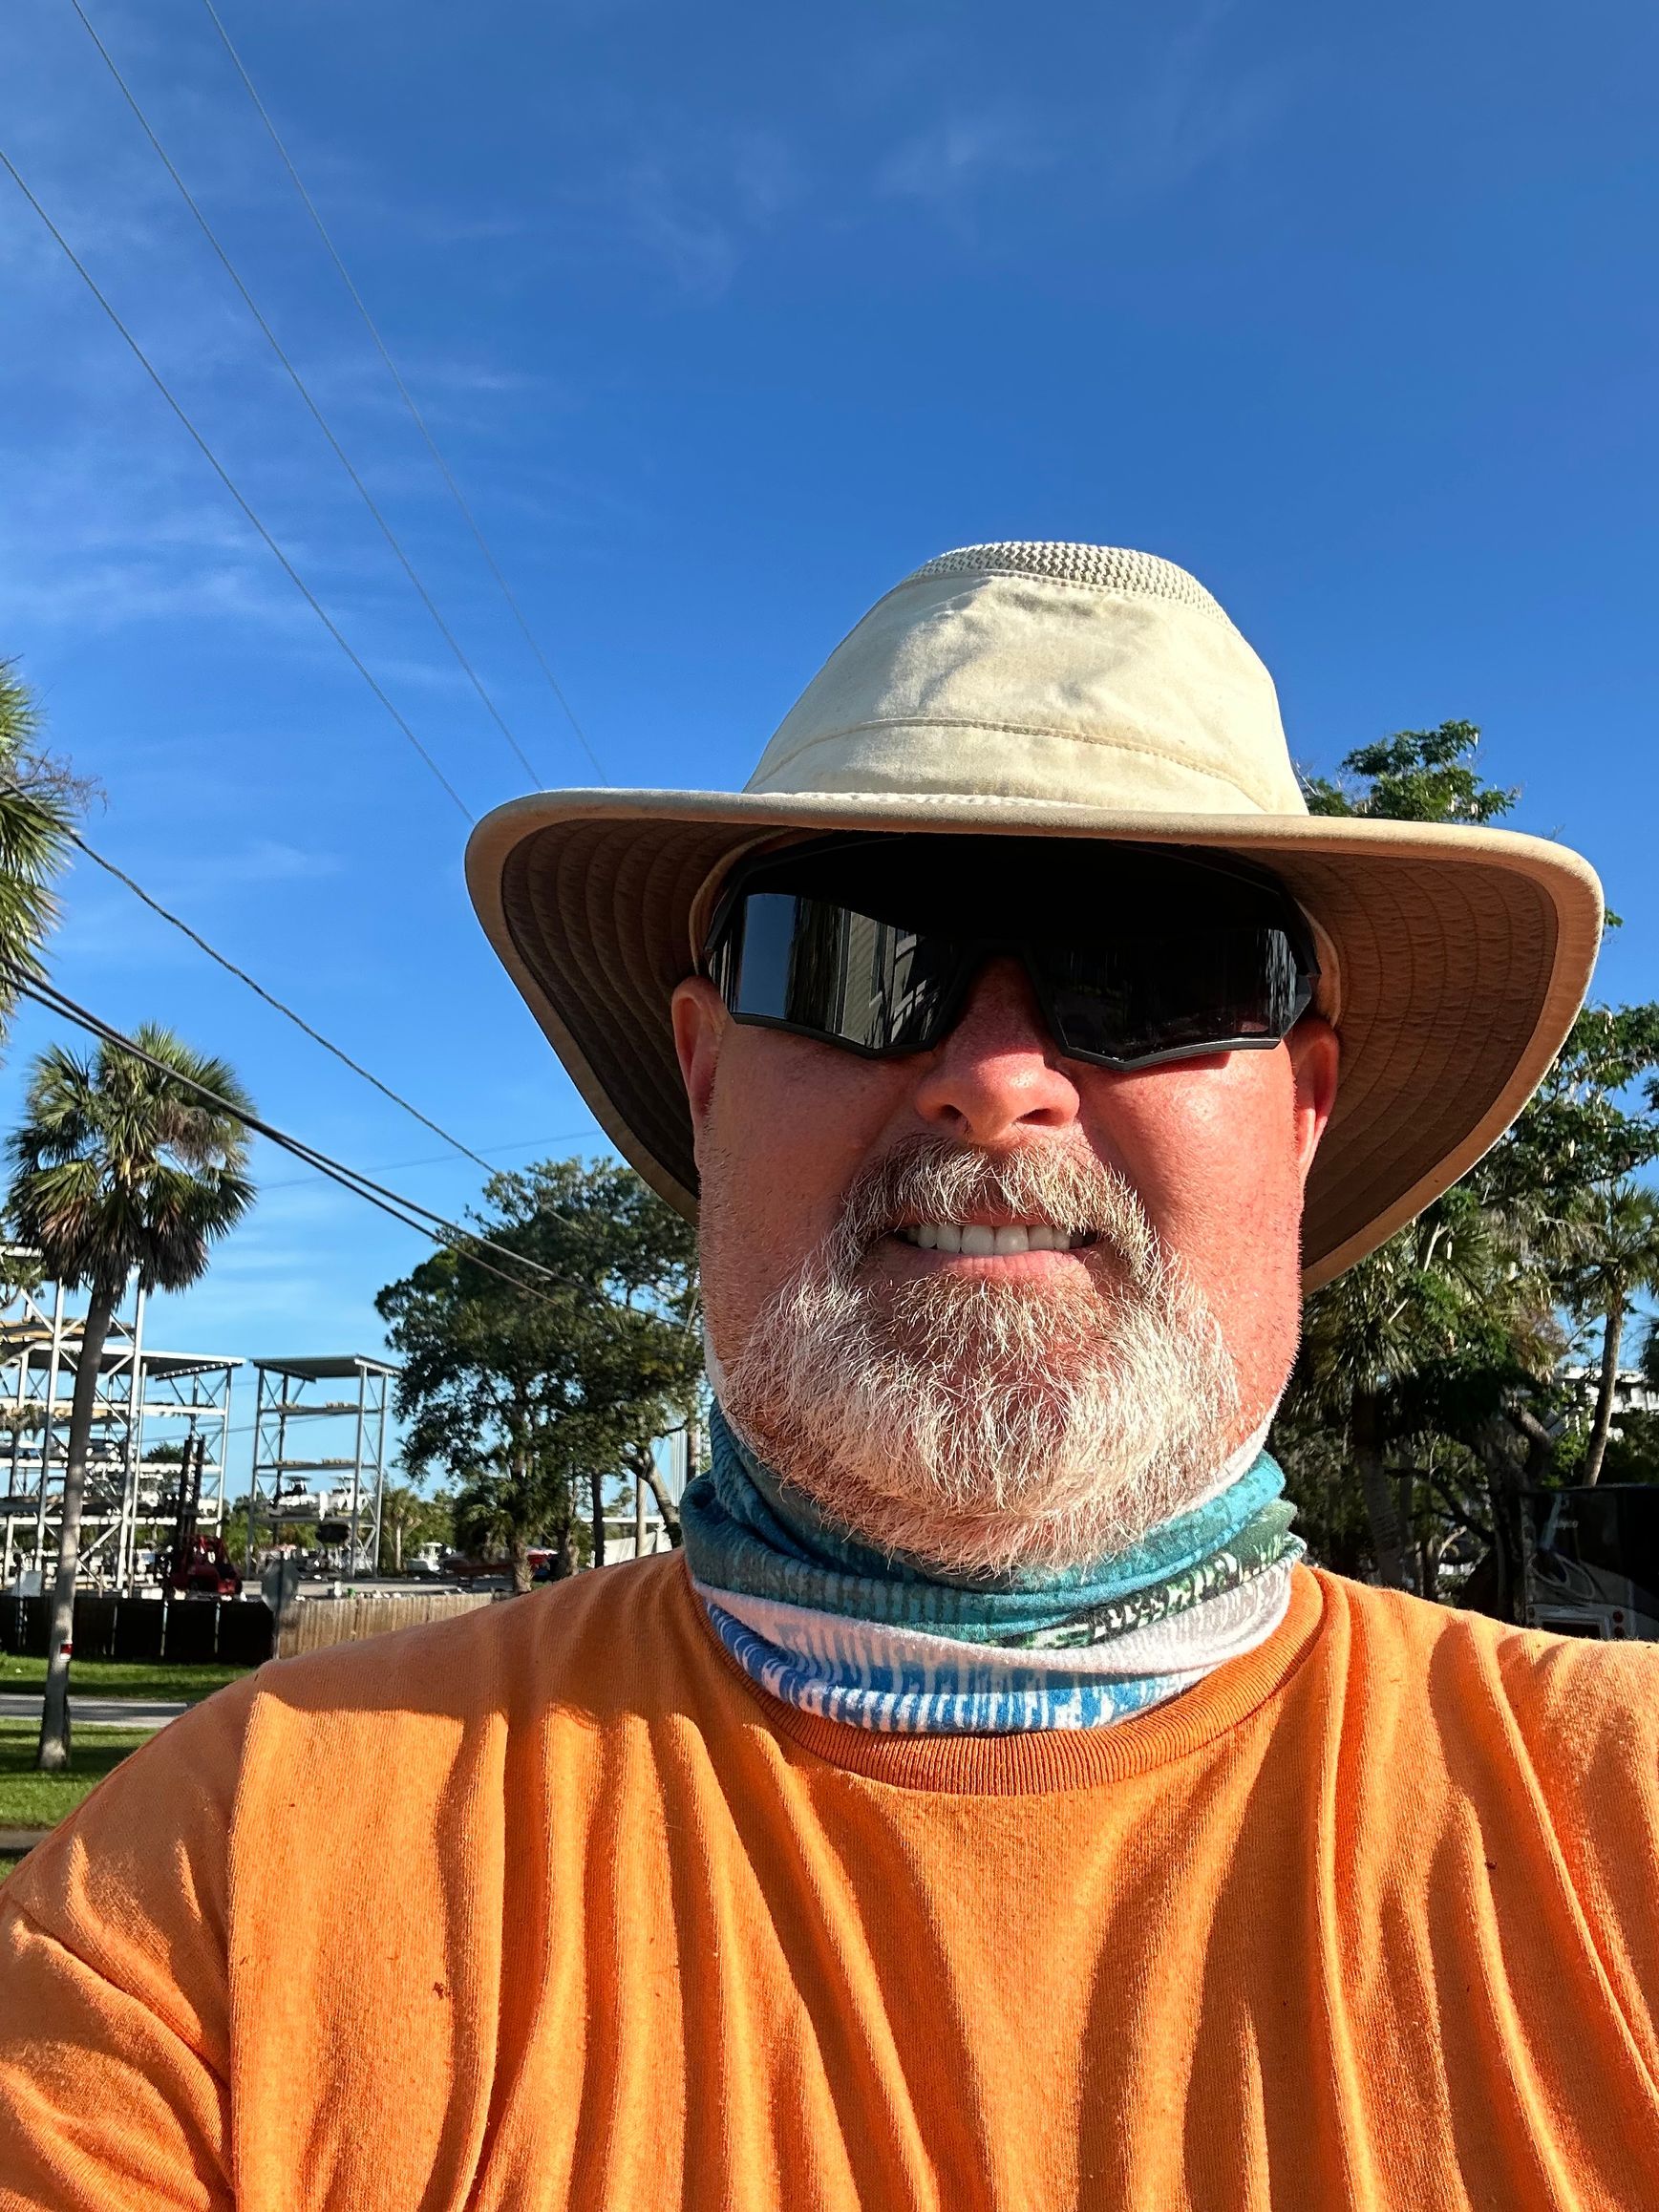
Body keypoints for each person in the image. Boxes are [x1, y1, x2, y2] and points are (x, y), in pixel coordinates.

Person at [1, 541, 1652, 2210]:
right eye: (852, 958)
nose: (995, 1079)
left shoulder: (1624, 1816)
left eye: (1157, 972)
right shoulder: (217, 1880)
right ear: (704, 1077)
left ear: (1301, 1111)